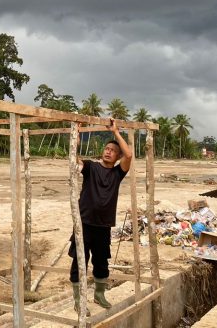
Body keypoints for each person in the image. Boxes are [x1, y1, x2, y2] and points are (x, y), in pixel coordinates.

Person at [69, 117, 132, 311]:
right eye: (107, 148)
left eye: (113, 151)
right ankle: (79, 301)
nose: (108, 151)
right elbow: (73, 159)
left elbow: (129, 155)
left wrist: (115, 132)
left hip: (103, 225)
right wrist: (76, 135)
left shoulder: (117, 174)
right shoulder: (91, 167)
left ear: (117, 157)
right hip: (84, 222)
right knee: (80, 261)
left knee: (101, 261)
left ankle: (99, 295)